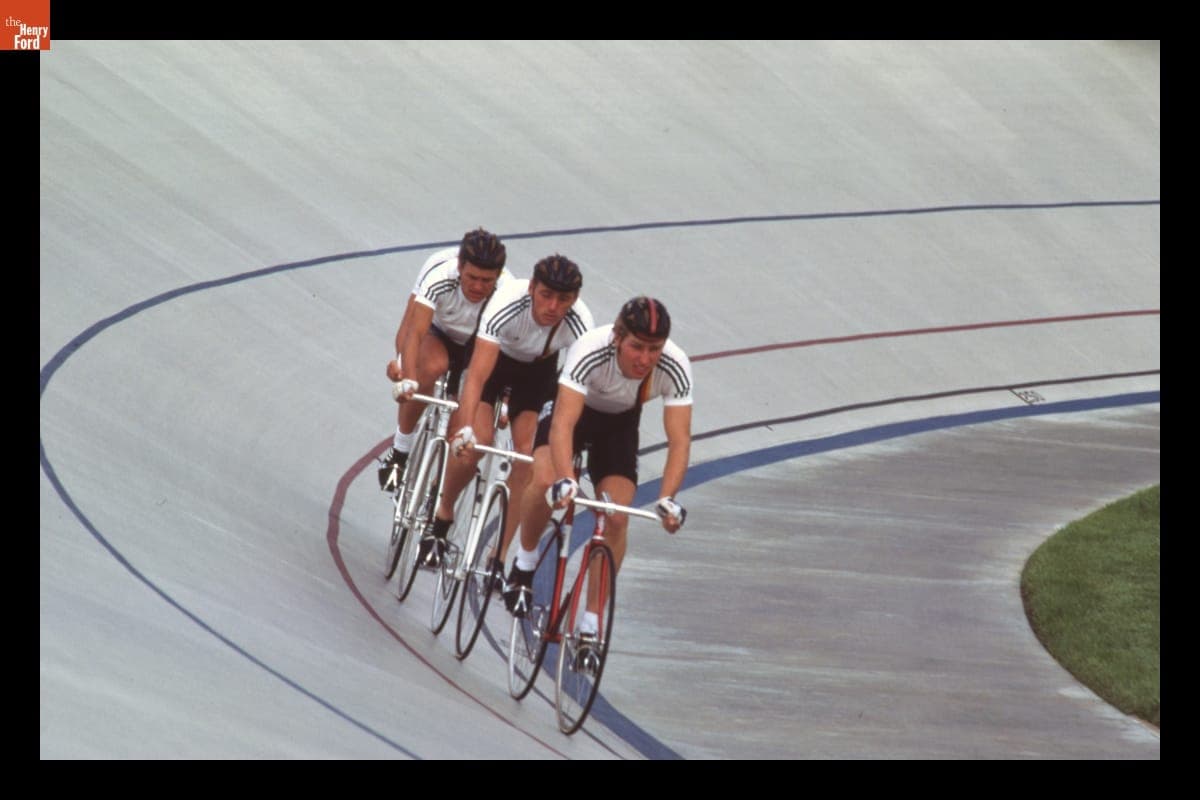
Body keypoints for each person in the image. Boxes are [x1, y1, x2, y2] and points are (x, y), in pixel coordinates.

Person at [503, 296, 693, 659]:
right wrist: (564, 477)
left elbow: (680, 440)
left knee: (618, 517)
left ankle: (590, 622)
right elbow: (562, 424)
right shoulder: (590, 348)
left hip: (618, 426)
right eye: (636, 347)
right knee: (544, 481)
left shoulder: (675, 365)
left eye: (654, 349)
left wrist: (669, 497)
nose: (644, 359)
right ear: (617, 339)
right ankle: (524, 564)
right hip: (572, 414)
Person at [422, 254, 594, 570]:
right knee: (478, 440)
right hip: (494, 363)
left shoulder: (581, 323)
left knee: (526, 459)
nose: (553, 307)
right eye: (546, 295)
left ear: (575, 299)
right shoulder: (507, 301)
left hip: (538, 374)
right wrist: (466, 426)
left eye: (564, 299)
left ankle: (498, 559)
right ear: (531, 288)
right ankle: (442, 516)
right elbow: (475, 376)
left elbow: (576, 391)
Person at [378, 228, 510, 496]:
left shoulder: (508, 293)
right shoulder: (438, 271)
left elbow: (508, 354)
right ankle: (401, 450)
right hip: (437, 333)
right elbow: (412, 329)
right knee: (429, 368)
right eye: (472, 277)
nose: (478, 287)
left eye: (487, 281)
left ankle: (440, 503)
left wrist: (506, 399)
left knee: (467, 431)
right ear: (459, 266)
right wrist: (404, 367)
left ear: (498, 276)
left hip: (478, 345)